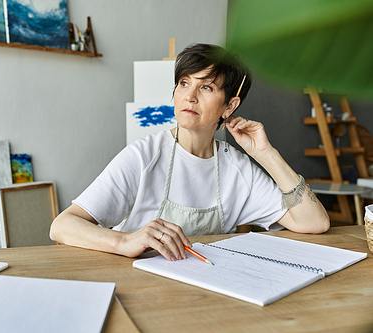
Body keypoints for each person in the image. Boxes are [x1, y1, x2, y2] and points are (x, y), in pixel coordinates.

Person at [50, 43, 330, 262]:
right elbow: (62, 226)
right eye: (184, 83)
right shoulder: (143, 157)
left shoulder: (237, 169)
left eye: (206, 87)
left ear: (229, 107)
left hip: (208, 291)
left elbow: (314, 222)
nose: (189, 96)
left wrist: (267, 154)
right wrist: (125, 241)